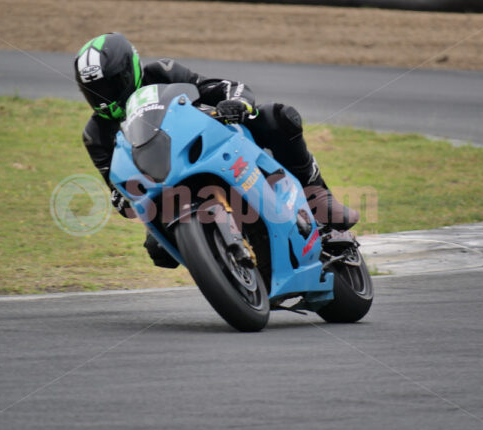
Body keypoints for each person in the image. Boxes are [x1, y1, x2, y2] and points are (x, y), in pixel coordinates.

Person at [75, 32, 359, 268]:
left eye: (110, 85)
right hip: (165, 187)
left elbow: (222, 87)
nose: (105, 98)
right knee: (158, 250)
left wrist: (235, 103)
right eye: (95, 91)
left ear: (130, 70)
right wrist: (123, 197)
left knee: (276, 117)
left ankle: (318, 195)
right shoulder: (96, 135)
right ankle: (224, 267)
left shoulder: (162, 72)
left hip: (209, 146)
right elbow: (118, 189)